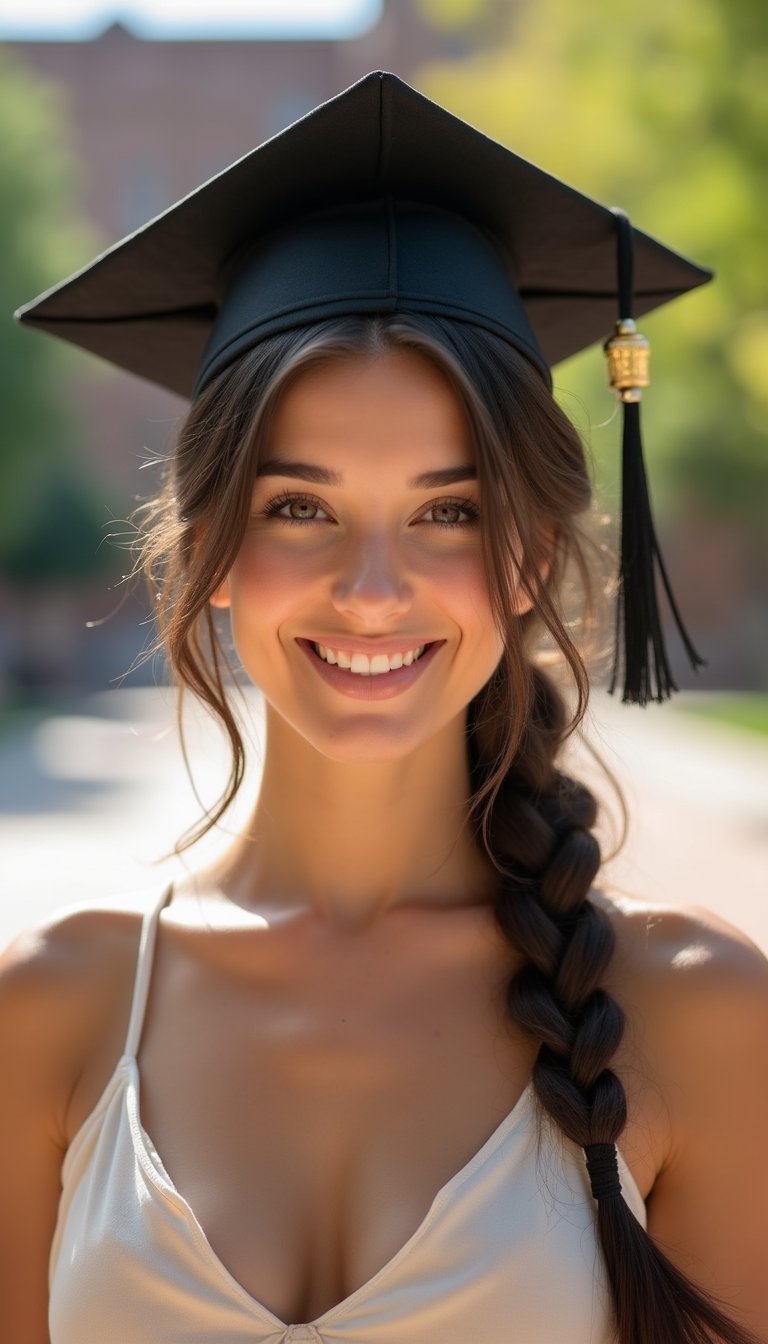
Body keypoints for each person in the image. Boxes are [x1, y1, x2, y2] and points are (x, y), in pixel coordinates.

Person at [2, 71, 767, 1344]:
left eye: (448, 511)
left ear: (527, 557)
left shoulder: (700, 1017)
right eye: (302, 506)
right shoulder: (50, 1015)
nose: (372, 589)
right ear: (215, 550)